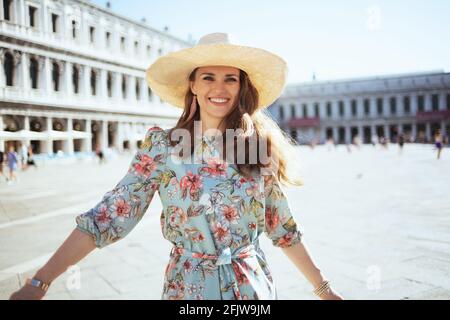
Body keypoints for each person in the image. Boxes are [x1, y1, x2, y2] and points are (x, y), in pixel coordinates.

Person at [10, 33, 343, 300]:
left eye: (230, 79)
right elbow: (110, 215)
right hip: (189, 288)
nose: (219, 87)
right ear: (193, 86)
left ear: (241, 87)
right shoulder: (163, 147)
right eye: (208, 77)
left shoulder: (256, 148)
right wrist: (41, 282)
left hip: (251, 288)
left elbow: (282, 228)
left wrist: (324, 290)